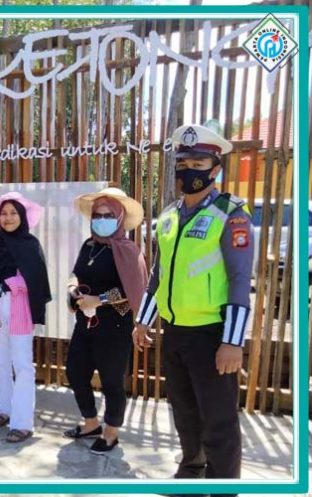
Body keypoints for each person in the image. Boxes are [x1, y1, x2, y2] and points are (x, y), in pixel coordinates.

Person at [132, 124, 254, 494]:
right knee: (184, 412)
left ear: (215, 169)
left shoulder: (231, 214)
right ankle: (191, 469)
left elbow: (240, 279)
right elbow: (159, 273)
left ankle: (222, 486)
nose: (188, 170)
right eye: (183, 163)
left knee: (218, 420)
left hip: (212, 334)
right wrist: (143, 321)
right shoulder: (169, 216)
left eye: (198, 164)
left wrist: (232, 342)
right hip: (175, 332)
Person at [64, 187, 148, 454]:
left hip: (115, 325)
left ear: (120, 217)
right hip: (85, 323)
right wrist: (72, 288)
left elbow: (133, 291)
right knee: (75, 372)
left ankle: (111, 432)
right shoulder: (88, 246)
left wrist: (99, 300)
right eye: (97, 215)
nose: (102, 220)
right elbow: (76, 273)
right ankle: (91, 423)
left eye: (108, 215)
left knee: (112, 380)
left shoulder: (128, 250)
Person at [0, 192, 51, 443]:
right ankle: (5, 409)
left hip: (20, 311)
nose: (8, 218)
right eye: (4, 213)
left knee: (22, 366)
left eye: (13, 213)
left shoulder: (30, 245)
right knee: (1, 362)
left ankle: (22, 423)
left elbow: (30, 282)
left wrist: (0, 287)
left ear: (22, 216)